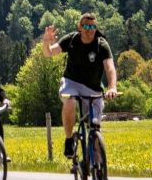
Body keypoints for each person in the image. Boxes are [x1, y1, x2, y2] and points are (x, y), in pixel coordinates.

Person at [42, 12, 118, 158]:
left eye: (93, 26)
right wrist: (46, 41)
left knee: (95, 127)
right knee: (69, 102)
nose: (90, 29)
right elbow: (49, 53)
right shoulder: (71, 40)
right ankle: (69, 139)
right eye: (86, 26)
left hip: (93, 89)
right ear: (80, 27)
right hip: (72, 82)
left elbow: (110, 68)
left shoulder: (101, 45)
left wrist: (112, 87)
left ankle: (99, 172)